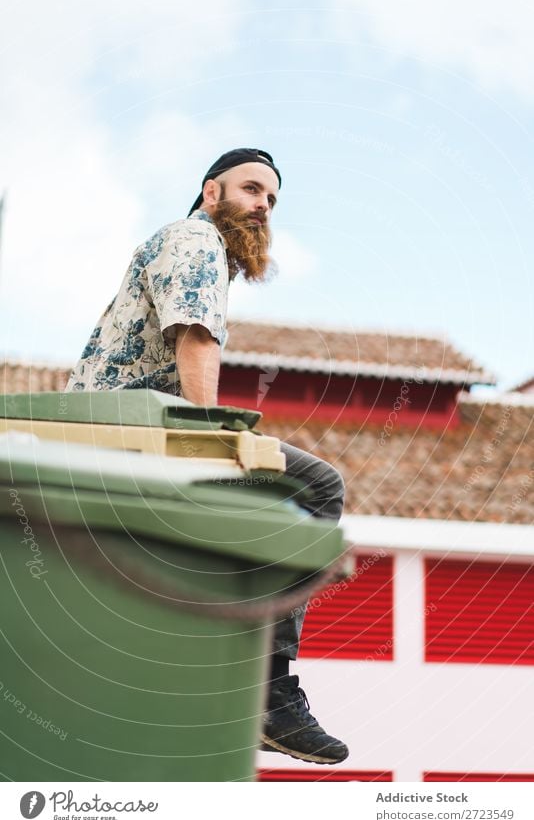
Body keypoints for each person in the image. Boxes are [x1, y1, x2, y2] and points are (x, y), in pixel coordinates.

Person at [66, 148, 349, 764]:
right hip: (128, 431)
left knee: (260, 504)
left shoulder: (201, 252)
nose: (262, 207)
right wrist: (214, 436)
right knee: (315, 487)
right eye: (251, 190)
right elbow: (194, 337)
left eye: (271, 201)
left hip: (132, 429)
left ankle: (227, 665)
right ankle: (267, 692)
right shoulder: (194, 238)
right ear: (211, 191)